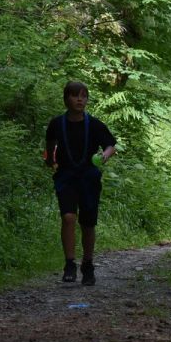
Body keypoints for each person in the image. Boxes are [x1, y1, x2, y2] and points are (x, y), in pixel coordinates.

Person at [45, 81, 116, 286]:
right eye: (75, 95)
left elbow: (111, 145)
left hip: (88, 177)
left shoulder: (94, 124)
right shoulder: (57, 124)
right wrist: (50, 160)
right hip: (66, 176)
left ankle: (87, 264)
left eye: (84, 96)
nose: (80, 99)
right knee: (68, 217)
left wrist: (105, 156)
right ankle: (69, 264)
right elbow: (50, 145)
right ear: (66, 98)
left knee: (87, 223)